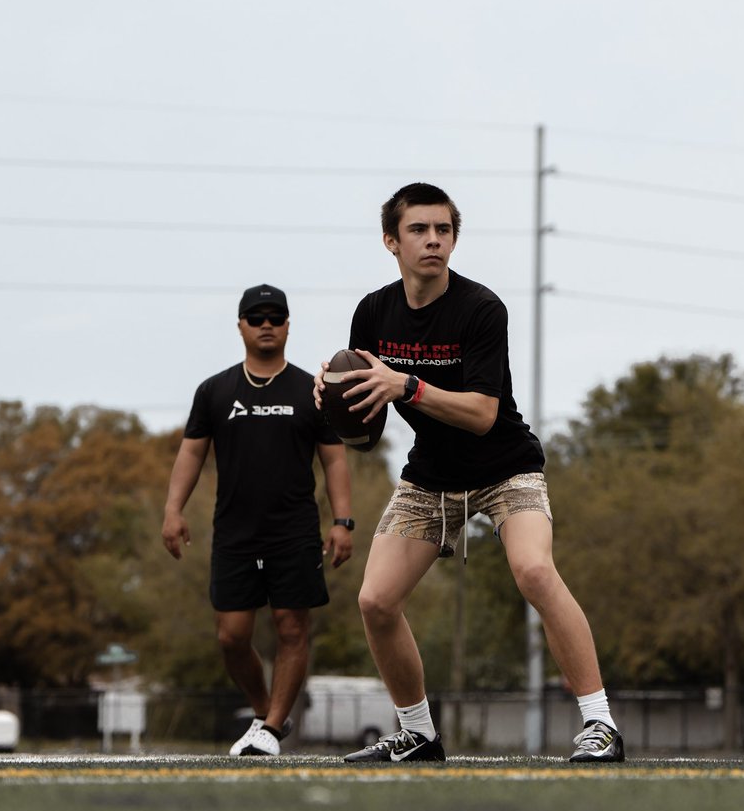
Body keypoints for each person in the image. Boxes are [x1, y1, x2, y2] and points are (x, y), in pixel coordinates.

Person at [315, 183, 625, 764]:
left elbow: (483, 415)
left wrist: (406, 383)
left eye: (444, 230)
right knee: (375, 602)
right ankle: (418, 734)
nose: (433, 240)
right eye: (418, 230)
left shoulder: (482, 309)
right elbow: (365, 426)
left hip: (506, 467)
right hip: (431, 475)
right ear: (391, 241)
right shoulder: (373, 313)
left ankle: (601, 725)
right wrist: (332, 393)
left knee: (534, 570)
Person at [163, 283, 354, 757]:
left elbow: (334, 460)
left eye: (275, 317)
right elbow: (191, 454)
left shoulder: (312, 390)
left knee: (292, 628)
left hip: (293, 530)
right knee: (232, 637)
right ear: (241, 327)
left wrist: (342, 521)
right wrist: (172, 510)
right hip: (235, 531)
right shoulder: (214, 391)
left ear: (288, 325)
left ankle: (269, 729)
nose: (266, 324)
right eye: (256, 317)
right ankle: (267, 712)